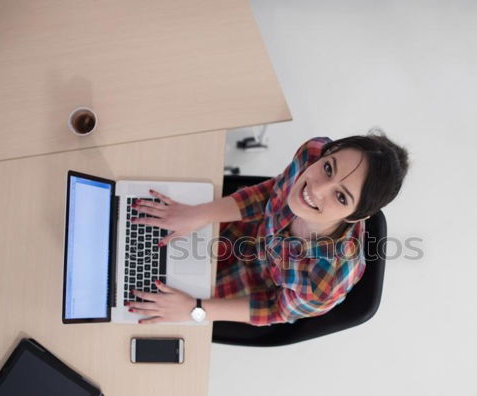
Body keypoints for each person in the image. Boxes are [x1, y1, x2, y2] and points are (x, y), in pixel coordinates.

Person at [127, 129, 409, 325]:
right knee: (136, 233)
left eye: (341, 196)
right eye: (328, 168)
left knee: (135, 303)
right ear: (327, 152)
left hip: (244, 288)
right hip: (238, 233)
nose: (317, 189)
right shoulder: (312, 153)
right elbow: (272, 192)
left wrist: (195, 309)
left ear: (356, 216)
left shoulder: (330, 278)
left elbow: (274, 308)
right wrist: (198, 214)